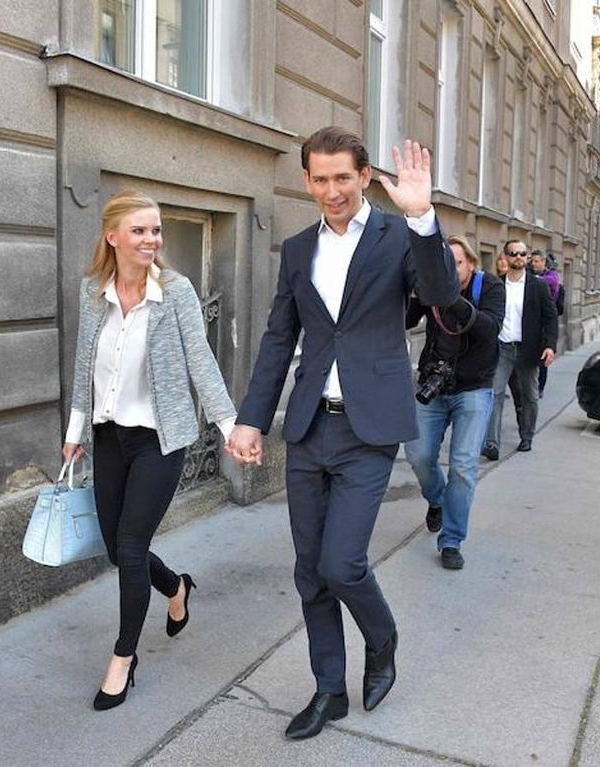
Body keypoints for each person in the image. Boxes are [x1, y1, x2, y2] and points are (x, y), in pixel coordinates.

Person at [225, 127, 459, 740]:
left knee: (343, 564)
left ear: (364, 177)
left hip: (368, 427)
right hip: (309, 426)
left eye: (343, 178)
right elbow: (280, 336)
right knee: (310, 570)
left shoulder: (396, 236)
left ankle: (382, 638)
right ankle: (329, 690)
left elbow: (441, 296)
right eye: (321, 179)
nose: (332, 191)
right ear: (307, 180)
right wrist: (252, 418)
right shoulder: (298, 248)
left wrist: (423, 219)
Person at [62, 190, 237, 711]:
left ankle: (123, 657)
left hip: (159, 440)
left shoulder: (175, 292)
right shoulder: (93, 291)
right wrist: (74, 431)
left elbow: (202, 362)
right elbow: (83, 364)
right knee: (118, 550)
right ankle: (176, 587)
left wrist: (230, 428)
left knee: (132, 547)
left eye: (155, 230)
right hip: (108, 437)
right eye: (139, 230)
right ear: (113, 236)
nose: (151, 239)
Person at [403, 235, 504, 571]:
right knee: (418, 455)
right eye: (444, 263)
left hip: (474, 388)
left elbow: (489, 329)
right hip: (434, 384)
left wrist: (451, 298)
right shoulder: (431, 288)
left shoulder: (490, 287)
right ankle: (437, 500)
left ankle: (451, 539)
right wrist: (411, 290)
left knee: (462, 466)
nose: (450, 269)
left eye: (456, 263)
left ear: (471, 264)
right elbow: (405, 321)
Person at [481, 240, 557, 459]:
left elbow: (550, 317)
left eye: (523, 254)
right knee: (494, 393)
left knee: (529, 396)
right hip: (501, 348)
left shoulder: (538, 286)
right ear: (505, 256)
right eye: (514, 253)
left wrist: (550, 346)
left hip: (527, 349)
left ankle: (527, 436)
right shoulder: (496, 285)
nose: (519, 257)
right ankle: (492, 443)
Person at [529, 250, 561, 395]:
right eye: (532, 261)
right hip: (532, 319)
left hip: (545, 321)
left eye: (536, 261)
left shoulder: (551, 276)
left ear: (543, 262)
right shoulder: (532, 274)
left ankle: (540, 388)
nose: (533, 264)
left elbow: (548, 282)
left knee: (543, 356)